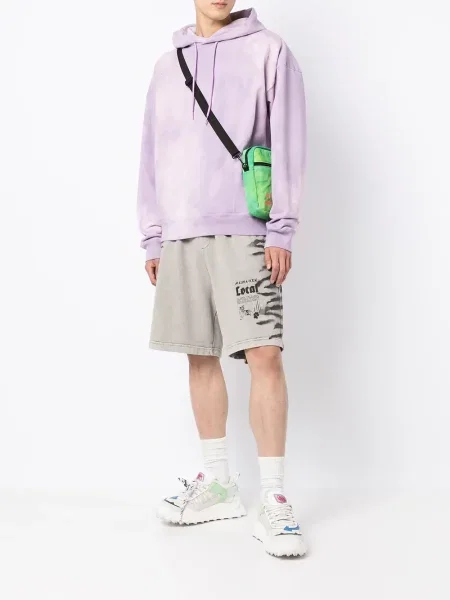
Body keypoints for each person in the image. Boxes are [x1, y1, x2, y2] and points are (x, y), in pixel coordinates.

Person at [137, 1, 306, 558]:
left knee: (265, 355)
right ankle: (219, 485)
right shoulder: (168, 65)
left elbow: (289, 143)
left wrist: (281, 228)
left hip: (246, 229)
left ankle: (274, 497)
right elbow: (152, 154)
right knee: (200, 355)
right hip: (181, 233)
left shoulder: (269, 51)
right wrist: (154, 234)